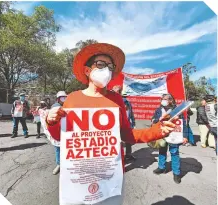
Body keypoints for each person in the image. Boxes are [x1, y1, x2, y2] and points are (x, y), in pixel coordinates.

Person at [46, 43, 177, 205]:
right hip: (78, 179)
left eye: (110, 66)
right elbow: (60, 136)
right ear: (88, 70)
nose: (106, 69)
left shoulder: (117, 100)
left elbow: (127, 134)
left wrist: (156, 131)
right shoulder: (72, 98)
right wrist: (51, 121)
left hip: (109, 177)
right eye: (100, 64)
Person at [152, 93, 188, 184]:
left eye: (165, 99)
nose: (162, 101)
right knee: (162, 150)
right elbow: (153, 120)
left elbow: (183, 123)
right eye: (162, 99)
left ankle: (176, 173)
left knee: (174, 153)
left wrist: (185, 136)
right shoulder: (159, 110)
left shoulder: (177, 110)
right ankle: (161, 167)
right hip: (162, 134)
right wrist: (157, 119)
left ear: (170, 100)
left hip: (174, 135)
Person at [112, 85, 136, 161]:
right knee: (117, 141)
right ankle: (118, 157)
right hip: (115, 125)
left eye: (118, 91)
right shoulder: (111, 101)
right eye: (114, 91)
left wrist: (133, 123)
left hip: (127, 124)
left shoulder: (127, 103)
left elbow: (131, 113)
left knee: (128, 140)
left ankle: (128, 155)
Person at [51, 91, 67, 175]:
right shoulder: (55, 106)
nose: (64, 99)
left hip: (66, 132)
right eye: (62, 98)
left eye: (65, 97)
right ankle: (59, 165)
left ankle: (67, 165)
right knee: (58, 149)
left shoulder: (68, 106)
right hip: (58, 132)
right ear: (58, 99)